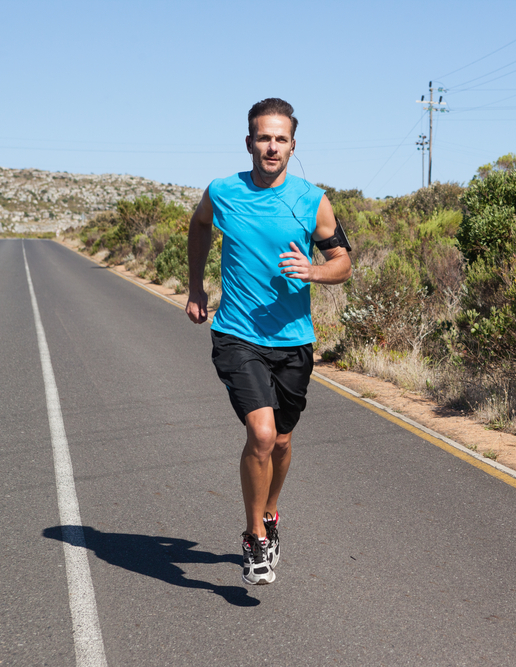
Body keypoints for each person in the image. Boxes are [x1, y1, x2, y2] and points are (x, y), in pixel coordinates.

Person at [186, 98, 351, 585]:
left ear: (292, 145)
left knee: (281, 439)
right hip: (237, 334)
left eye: (280, 139)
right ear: (249, 143)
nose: (271, 147)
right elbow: (198, 226)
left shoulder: (312, 199)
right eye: (263, 137)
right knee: (260, 434)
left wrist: (314, 271)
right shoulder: (223, 192)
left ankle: (271, 513)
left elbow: (342, 261)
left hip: (294, 340)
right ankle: (254, 536)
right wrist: (196, 286)